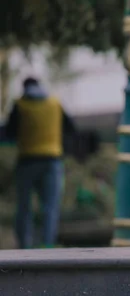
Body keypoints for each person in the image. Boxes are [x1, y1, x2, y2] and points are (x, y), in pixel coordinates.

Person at [5, 76, 76, 249]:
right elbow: (71, 128)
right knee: (50, 207)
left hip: (27, 160)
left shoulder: (20, 104)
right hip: (52, 160)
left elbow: (9, 132)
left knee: (24, 206)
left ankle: (24, 245)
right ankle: (48, 245)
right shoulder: (55, 103)